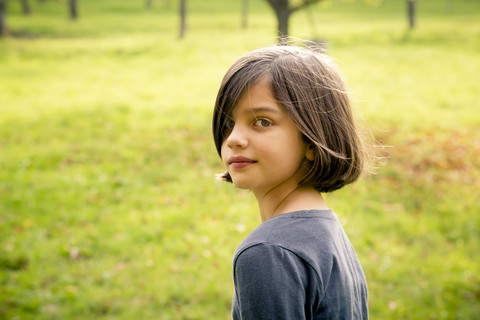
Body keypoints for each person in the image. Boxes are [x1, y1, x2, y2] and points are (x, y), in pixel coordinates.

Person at [212, 45, 370, 319]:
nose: (234, 138)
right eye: (228, 122)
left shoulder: (268, 251)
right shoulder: (327, 233)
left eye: (262, 121)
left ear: (312, 140)